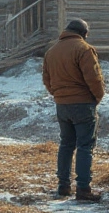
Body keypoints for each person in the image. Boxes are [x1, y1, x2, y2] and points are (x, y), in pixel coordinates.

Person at [42, 19, 105, 202]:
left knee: (66, 145)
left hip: (62, 105)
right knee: (85, 146)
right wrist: (97, 98)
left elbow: (47, 79)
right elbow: (94, 78)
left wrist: (58, 94)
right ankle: (83, 189)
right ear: (84, 33)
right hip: (83, 103)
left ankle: (63, 186)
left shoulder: (51, 51)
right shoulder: (84, 49)